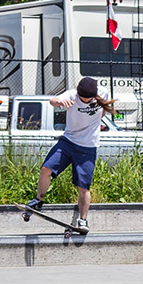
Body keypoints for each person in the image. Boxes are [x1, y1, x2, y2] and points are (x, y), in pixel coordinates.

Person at [25, 76, 115, 232]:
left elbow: (104, 113)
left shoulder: (103, 93)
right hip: (68, 141)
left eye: (89, 99)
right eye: (83, 99)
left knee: (83, 187)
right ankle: (38, 200)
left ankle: (83, 220)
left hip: (88, 146)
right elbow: (52, 101)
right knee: (46, 169)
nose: (86, 101)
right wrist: (59, 103)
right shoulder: (72, 95)